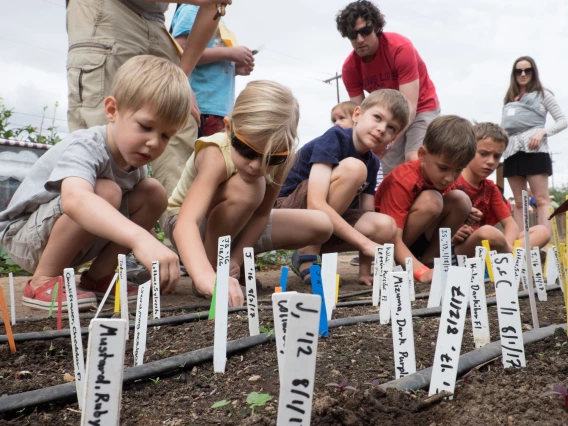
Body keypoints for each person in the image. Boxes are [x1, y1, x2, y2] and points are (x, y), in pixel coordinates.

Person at [0, 56, 190, 310]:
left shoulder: (135, 162)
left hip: (72, 241)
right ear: (112, 110)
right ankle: (42, 281)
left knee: (153, 193)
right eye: (146, 127)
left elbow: (136, 212)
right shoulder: (87, 145)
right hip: (25, 240)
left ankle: (98, 278)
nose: (154, 142)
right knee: (105, 191)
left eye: (166, 135)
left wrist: (149, 242)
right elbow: (75, 199)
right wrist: (140, 240)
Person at [165, 81, 333, 307]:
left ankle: (230, 264)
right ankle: (212, 269)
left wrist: (236, 257)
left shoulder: (284, 158)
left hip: (240, 224)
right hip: (188, 227)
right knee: (249, 187)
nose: (256, 166)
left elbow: (262, 215)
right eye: (246, 151)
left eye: (271, 159)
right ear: (228, 128)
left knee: (321, 224)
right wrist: (205, 275)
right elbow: (187, 222)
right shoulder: (215, 154)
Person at [277, 89, 409, 286]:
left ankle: (313, 249)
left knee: (385, 225)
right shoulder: (335, 137)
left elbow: (366, 211)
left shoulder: (372, 162)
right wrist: (366, 244)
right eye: (377, 117)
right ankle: (307, 253)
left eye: (391, 128)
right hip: (288, 211)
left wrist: (364, 271)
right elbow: (316, 202)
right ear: (357, 114)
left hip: (324, 221)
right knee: (354, 168)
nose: (382, 129)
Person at [336, 0, 440, 177]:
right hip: (387, 116)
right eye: (353, 34)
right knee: (392, 173)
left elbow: (410, 108)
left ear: (376, 27)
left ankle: (427, 202)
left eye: (365, 31)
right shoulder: (350, 69)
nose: (360, 39)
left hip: (421, 107)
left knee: (413, 158)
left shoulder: (400, 49)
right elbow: (362, 116)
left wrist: (387, 144)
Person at [374, 115, 476, 284]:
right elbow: (392, 237)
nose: (450, 178)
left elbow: (449, 207)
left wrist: (464, 215)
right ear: (422, 154)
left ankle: (430, 260)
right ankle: (407, 264)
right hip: (387, 244)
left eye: (458, 170)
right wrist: (419, 272)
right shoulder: (403, 179)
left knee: (462, 200)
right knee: (431, 200)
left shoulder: (440, 177)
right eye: (443, 168)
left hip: (417, 238)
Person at [448, 123, 551, 257]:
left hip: (487, 248)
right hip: (457, 249)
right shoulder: (451, 181)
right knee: (487, 232)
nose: (491, 161)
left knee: (542, 232)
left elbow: (511, 225)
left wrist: (505, 247)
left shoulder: (490, 188)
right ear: (468, 150)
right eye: (484, 154)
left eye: (497, 156)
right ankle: (512, 257)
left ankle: (506, 258)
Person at [501, 56, 567, 233]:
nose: (523, 74)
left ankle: (543, 245)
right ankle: (520, 246)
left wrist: (543, 132)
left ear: (533, 72)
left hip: (535, 149)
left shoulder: (544, 94)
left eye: (527, 70)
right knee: (519, 202)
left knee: (541, 199)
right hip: (512, 150)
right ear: (514, 74)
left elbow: (562, 120)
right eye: (519, 71)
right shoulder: (509, 99)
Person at [171, 4, 255, 137]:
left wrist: (234, 67)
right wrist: (229, 53)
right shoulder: (191, 9)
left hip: (220, 111)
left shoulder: (219, 18)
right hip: (201, 108)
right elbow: (181, 51)